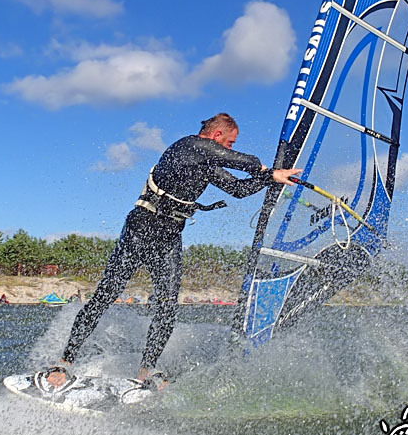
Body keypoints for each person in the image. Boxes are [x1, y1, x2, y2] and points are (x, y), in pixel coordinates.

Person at [45, 113, 300, 389]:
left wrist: (270, 180)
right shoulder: (189, 146)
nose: (229, 148)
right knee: (106, 295)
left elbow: (238, 189)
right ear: (216, 136)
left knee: (167, 305)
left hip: (169, 237)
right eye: (229, 142)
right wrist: (267, 170)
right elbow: (240, 160)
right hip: (141, 228)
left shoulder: (207, 165)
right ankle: (65, 361)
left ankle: (147, 370)